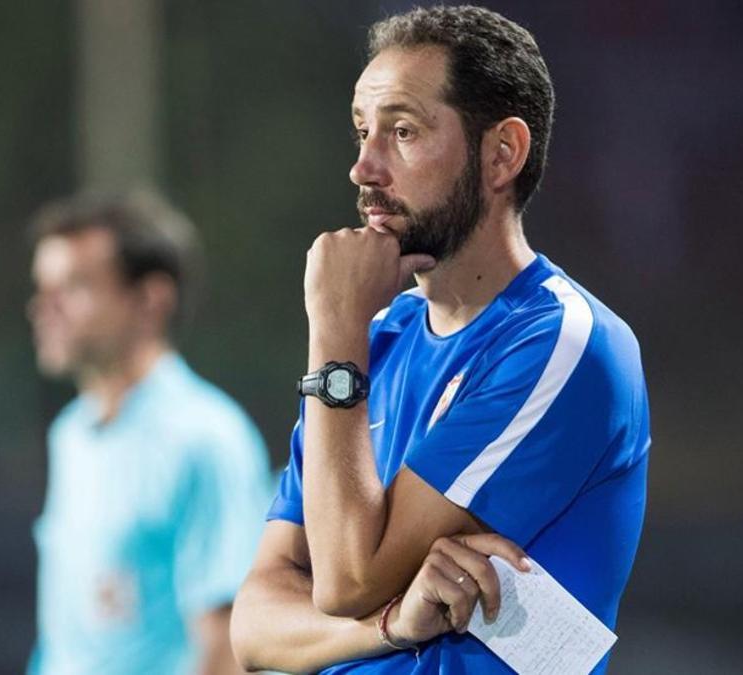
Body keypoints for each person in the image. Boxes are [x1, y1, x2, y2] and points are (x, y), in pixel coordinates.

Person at [231, 5, 650, 674]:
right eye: (362, 132)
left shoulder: (562, 343)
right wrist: (393, 624)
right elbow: (253, 623)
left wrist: (334, 333)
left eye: (402, 130)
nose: (363, 167)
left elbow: (343, 582)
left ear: (502, 153)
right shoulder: (380, 335)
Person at [24, 190, 271, 674]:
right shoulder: (70, 434)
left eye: (73, 286)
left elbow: (228, 648)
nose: (42, 307)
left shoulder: (207, 438)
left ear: (150, 300)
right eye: (42, 286)